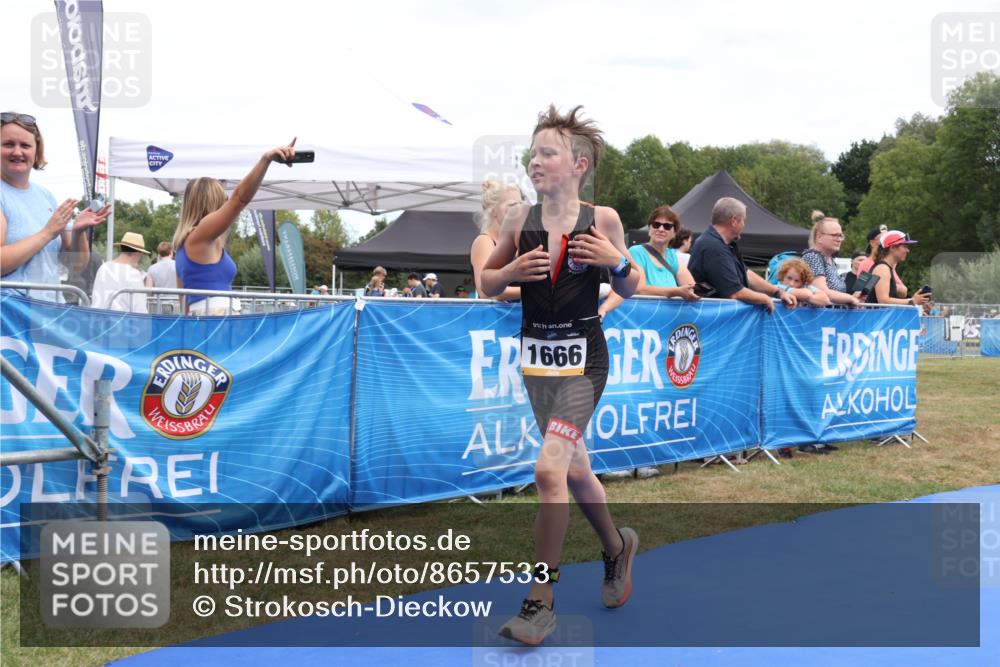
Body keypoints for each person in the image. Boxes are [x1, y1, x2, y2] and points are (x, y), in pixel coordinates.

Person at [481, 105, 640, 646]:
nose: (535, 161)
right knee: (573, 469)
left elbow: (632, 281)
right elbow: (485, 283)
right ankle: (616, 547)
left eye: (547, 153)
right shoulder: (518, 220)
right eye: (532, 153)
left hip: (585, 362)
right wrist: (509, 271)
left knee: (549, 471)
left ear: (578, 165)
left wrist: (615, 262)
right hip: (537, 362)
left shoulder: (602, 218)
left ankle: (540, 601)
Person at [172, 139, 297, 315]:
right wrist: (266, 159)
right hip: (215, 318)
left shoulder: (185, 245)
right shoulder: (200, 234)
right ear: (212, 201)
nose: (226, 202)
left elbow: (184, 302)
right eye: (223, 198)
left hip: (208, 319)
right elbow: (239, 199)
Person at [1, 112, 110, 302]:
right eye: (8, 144)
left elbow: (76, 265)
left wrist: (78, 232)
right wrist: (47, 233)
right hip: (10, 312)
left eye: (25, 145)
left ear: (36, 151)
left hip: (48, 310)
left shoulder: (46, 196)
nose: (17, 152)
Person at [688, 197, 797, 313]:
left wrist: (778, 292)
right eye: (743, 220)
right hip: (710, 318)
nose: (744, 225)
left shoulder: (724, 244)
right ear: (734, 221)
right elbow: (735, 292)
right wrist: (765, 298)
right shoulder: (713, 246)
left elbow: (746, 274)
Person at [598, 204, 698, 321]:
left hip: (669, 320)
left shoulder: (672, 257)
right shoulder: (636, 252)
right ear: (649, 229)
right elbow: (639, 289)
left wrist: (689, 291)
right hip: (644, 320)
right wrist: (675, 292)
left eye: (667, 226)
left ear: (674, 232)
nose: (661, 229)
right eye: (656, 225)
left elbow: (691, 286)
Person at [471, 179, 523, 301]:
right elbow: (485, 291)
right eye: (512, 205)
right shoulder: (484, 241)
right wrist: (532, 291)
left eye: (521, 205)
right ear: (494, 211)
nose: (519, 210)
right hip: (496, 313)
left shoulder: (516, 241)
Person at [800, 211, 861, 307]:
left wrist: (853, 298)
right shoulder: (812, 257)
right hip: (818, 315)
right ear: (819, 237)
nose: (839, 239)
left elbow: (834, 294)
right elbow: (822, 292)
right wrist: (851, 298)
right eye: (835, 235)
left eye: (841, 235)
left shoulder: (830, 260)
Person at [90, 232, 151, 312]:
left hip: (99, 317)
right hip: (122, 318)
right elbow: (140, 309)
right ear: (137, 253)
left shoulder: (103, 267)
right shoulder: (133, 274)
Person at [867, 231, 930, 307]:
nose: (908, 250)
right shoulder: (882, 269)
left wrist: (911, 300)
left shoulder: (884, 267)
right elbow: (883, 301)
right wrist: (912, 301)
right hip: (877, 314)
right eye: (905, 246)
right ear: (892, 247)